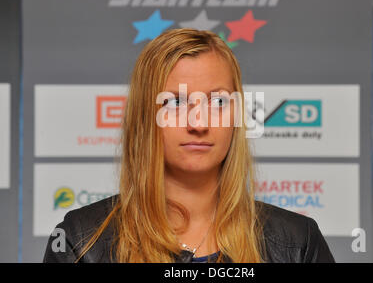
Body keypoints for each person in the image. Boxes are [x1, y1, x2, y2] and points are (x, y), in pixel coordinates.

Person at [43, 28, 335, 263]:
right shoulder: (80, 242)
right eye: (176, 102)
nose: (198, 122)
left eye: (218, 102)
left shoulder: (298, 243)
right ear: (145, 116)